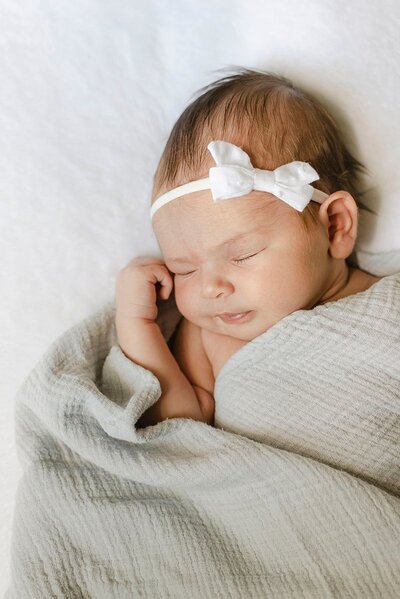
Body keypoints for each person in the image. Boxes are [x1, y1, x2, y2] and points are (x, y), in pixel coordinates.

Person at [115, 68, 381, 429]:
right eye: (184, 269)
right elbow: (178, 436)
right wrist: (137, 324)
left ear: (335, 226)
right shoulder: (209, 336)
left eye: (242, 255)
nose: (210, 288)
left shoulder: (384, 305)